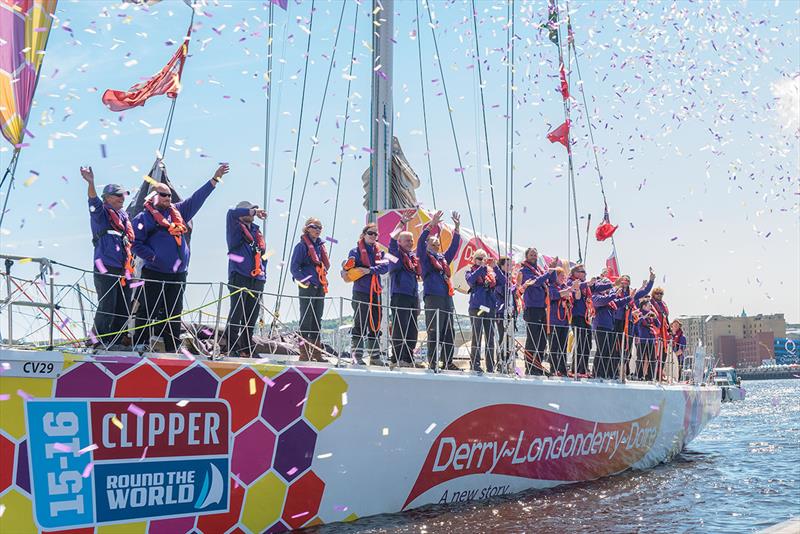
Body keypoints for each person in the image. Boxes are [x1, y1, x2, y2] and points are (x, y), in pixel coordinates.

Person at [131, 164, 228, 352]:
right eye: (163, 194)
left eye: (169, 195)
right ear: (153, 196)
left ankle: (172, 347)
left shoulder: (180, 211)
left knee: (173, 312)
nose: (168, 198)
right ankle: (140, 343)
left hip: (178, 275)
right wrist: (153, 257)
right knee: (147, 309)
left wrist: (214, 179)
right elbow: (136, 243)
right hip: (154, 271)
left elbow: (197, 198)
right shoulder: (144, 218)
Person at [81, 166, 133, 348]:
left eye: (123, 195)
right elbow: (93, 200)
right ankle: (97, 341)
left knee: (124, 307)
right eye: (118, 195)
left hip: (124, 270)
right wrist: (91, 182)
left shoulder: (124, 217)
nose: (122, 198)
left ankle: (117, 341)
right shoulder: (100, 214)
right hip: (105, 266)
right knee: (107, 305)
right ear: (108, 198)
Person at [418, 210, 461, 371]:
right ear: (427, 245)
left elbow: (453, 248)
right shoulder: (424, 257)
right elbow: (421, 241)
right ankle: (433, 361)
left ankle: (448, 361)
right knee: (434, 330)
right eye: (432, 245)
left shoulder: (442, 259)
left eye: (437, 245)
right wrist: (432, 225)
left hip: (446, 296)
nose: (436, 247)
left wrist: (457, 229)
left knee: (449, 330)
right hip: (433, 296)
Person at [224, 201, 267, 357]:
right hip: (239, 276)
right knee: (237, 313)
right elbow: (231, 212)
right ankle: (232, 347)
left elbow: (263, 256)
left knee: (251, 316)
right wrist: (254, 212)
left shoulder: (256, 231)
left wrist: (264, 273)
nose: (254, 212)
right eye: (251, 210)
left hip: (257, 279)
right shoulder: (234, 226)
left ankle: (248, 348)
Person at [343, 222, 390, 365]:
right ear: (363, 235)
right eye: (371, 233)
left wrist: (370, 270)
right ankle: (356, 355)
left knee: (375, 322)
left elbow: (386, 266)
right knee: (360, 322)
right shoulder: (355, 252)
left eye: (376, 234)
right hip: (361, 291)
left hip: (375, 292)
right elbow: (348, 266)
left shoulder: (380, 252)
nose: (374, 236)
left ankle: (374, 357)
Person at [388, 212, 423, 368]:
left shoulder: (412, 257)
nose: (410, 243)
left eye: (411, 240)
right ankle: (396, 358)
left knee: (412, 329)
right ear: (400, 241)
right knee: (399, 327)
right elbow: (391, 240)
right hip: (399, 295)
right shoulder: (395, 255)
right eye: (407, 240)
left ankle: (408, 359)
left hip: (413, 296)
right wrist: (401, 222)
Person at [465, 250, 504, 373]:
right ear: (474, 259)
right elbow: (471, 281)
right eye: (479, 258)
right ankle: (475, 364)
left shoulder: (491, 274)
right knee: (477, 334)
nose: (482, 261)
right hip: (477, 308)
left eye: (484, 259)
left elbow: (503, 281)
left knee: (490, 337)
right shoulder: (470, 272)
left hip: (489, 308)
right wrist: (481, 268)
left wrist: (495, 267)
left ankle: (490, 366)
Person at [569, 265, 611, 376]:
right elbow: (573, 288)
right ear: (575, 273)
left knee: (587, 344)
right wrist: (588, 283)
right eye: (583, 272)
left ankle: (583, 369)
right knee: (580, 343)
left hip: (586, 317)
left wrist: (610, 282)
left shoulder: (587, 287)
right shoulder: (570, 281)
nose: (585, 274)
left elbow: (600, 287)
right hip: (576, 316)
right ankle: (576, 369)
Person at [520, 248, 556, 375]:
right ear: (527, 256)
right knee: (532, 339)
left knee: (542, 340)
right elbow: (535, 283)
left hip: (542, 308)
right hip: (532, 308)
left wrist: (553, 270)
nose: (534, 256)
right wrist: (548, 273)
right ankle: (529, 367)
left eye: (535, 254)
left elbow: (551, 281)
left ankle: (538, 366)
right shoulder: (524, 270)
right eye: (531, 254)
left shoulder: (540, 270)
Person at [612, 269, 655, 376]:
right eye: (623, 281)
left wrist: (651, 280)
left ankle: (623, 372)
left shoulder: (633, 293)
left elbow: (645, 291)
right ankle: (614, 371)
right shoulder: (615, 291)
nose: (625, 283)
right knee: (615, 348)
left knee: (627, 348)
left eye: (627, 281)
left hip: (629, 323)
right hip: (617, 321)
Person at [591, 286, 633, 379]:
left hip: (610, 327)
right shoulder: (595, 296)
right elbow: (603, 301)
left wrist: (630, 297)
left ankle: (605, 372)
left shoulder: (609, 299)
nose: (607, 289)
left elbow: (619, 302)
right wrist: (614, 295)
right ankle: (597, 373)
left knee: (608, 351)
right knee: (601, 350)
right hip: (600, 326)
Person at [547, 267, 574, 376]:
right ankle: (553, 368)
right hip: (554, 320)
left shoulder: (564, 287)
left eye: (564, 276)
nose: (563, 278)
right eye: (561, 275)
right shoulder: (552, 286)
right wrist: (566, 292)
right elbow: (553, 296)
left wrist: (567, 300)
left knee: (563, 346)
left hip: (564, 321)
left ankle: (563, 369)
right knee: (554, 346)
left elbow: (570, 300)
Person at [494, 256, 519, 371]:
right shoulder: (499, 278)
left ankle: (508, 363)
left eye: (511, 265)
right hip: (501, 312)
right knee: (503, 338)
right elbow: (504, 291)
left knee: (509, 339)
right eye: (508, 265)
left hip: (511, 312)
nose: (510, 267)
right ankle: (501, 363)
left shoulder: (509, 278)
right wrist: (517, 287)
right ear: (502, 265)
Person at [633, 298, 661, 380]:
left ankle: (650, 376)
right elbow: (637, 323)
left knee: (652, 359)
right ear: (644, 306)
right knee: (640, 358)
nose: (651, 307)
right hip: (642, 339)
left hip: (651, 340)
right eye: (649, 305)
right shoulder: (638, 313)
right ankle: (639, 376)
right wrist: (645, 316)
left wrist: (655, 318)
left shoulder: (651, 315)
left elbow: (658, 326)